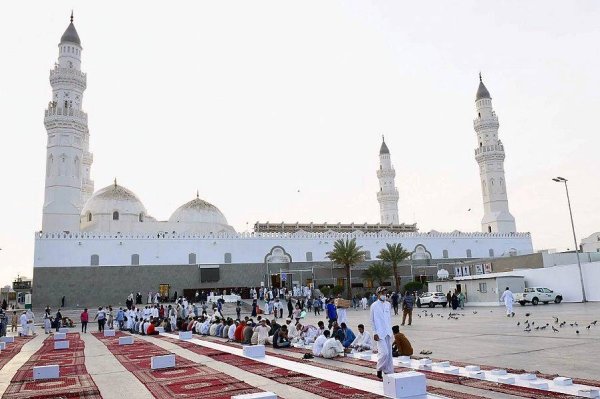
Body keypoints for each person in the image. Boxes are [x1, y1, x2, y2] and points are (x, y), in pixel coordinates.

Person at [370, 286, 393, 380]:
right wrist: (374, 332)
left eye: (385, 293)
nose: (384, 295)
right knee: (384, 353)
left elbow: (389, 318)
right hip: (379, 333)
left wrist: (391, 331)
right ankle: (379, 369)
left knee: (389, 354)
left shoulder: (388, 304)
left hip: (388, 332)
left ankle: (388, 371)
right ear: (378, 294)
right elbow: (372, 321)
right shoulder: (374, 306)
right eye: (382, 293)